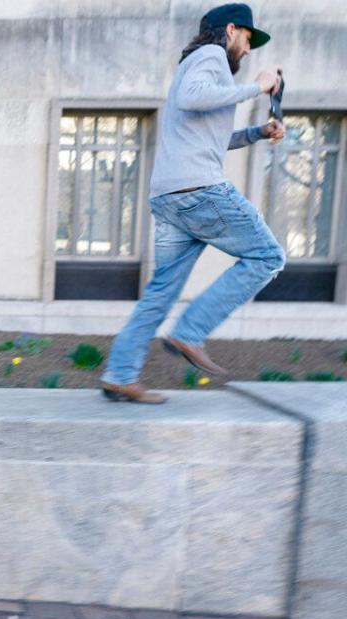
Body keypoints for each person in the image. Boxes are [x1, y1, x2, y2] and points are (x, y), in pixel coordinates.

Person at [101, 3, 286, 404]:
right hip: (199, 192)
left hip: (169, 198)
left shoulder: (198, 64)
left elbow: (212, 135)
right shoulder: (211, 55)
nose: (249, 49)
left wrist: (256, 131)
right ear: (231, 29)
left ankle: (120, 374)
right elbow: (193, 97)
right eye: (248, 39)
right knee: (268, 255)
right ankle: (190, 333)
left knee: (160, 293)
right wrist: (258, 86)